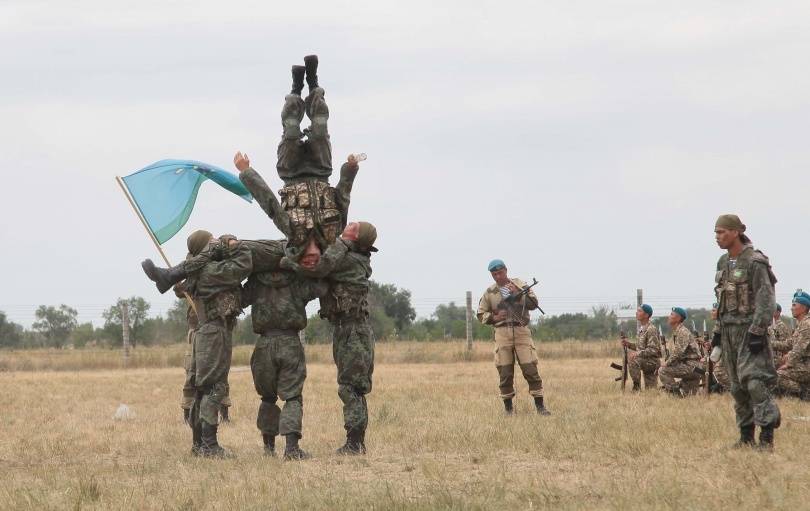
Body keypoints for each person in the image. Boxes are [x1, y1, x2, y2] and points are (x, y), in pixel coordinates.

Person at [281, 221, 377, 455]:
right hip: (350, 329)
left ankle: (355, 443)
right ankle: (356, 442)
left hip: (352, 330)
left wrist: (288, 260)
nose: (347, 226)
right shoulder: (351, 258)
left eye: (351, 228)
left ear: (354, 239)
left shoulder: (348, 261)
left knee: (350, 387)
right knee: (353, 386)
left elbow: (317, 269)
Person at [241, 254, 327, 460]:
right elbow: (321, 288)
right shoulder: (297, 280)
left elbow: (239, 299)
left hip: (264, 344)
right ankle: (291, 449)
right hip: (290, 342)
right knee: (292, 396)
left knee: (267, 397)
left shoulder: (255, 281)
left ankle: (268, 448)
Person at [711, 214, 780, 450]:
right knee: (737, 387)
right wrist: (718, 331)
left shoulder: (755, 261)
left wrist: (758, 331)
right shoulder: (722, 263)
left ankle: (766, 438)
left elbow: (766, 299)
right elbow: (721, 299)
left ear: (737, 231)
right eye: (716, 233)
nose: (718, 237)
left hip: (750, 331)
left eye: (722, 232)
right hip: (729, 330)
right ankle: (746, 437)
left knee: (754, 383)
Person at [184, 230, 253, 458]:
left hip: (208, 332)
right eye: (211, 241)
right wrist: (235, 244)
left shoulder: (200, 269)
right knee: (215, 388)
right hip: (214, 332)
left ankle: (198, 444)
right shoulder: (209, 271)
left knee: (202, 389)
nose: (216, 243)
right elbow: (242, 265)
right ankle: (209, 445)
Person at [476, 259, 549, 416]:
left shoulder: (519, 285)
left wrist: (518, 294)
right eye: (494, 274)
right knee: (505, 371)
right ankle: (508, 409)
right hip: (502, 333)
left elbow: (534, 303)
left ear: (506, 270)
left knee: (530, 368)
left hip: (521, 329)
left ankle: (540, 406)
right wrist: (494, 317)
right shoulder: (490, 292)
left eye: (500, 273)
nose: (498, 277)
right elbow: (481, 314)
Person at [659, 307, 703, 396]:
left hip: (692, 367)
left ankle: (675, 394)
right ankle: (680, 390)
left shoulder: (682, 332)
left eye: (672, 314)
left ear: (678, 318)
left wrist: (666, 363)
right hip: (691, 367)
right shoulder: (677, 332)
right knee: (688, 396)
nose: (669, 316)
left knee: (662, 370)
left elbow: (678, 353)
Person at [775, 292, 810, 400]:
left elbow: (798, 350)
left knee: (776, 376)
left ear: (804, 307)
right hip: (801, 364)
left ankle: (804, 392)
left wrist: (788, 363)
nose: (791, 308)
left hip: (806, 366)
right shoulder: (801, 325)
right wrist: (768, 342)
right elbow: (788, 344)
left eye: (794, 305)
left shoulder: (807, 325)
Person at [622, 304, 661, 391]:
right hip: (646, 360)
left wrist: (637, 353)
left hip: (652, 362)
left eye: (639, 311)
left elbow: (653, 350)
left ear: (646, 315)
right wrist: (628, 344)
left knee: (632, 359)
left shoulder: (651, 329)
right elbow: (640, 347)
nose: (636, 313)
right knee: (651, 391)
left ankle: (636, 387)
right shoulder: (642, 328)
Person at [769, 303, 794, 368]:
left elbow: (785, 345)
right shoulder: (770, 325)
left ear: (778, 312)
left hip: (777, 359)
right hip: (770, 357)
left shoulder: (781, 326)